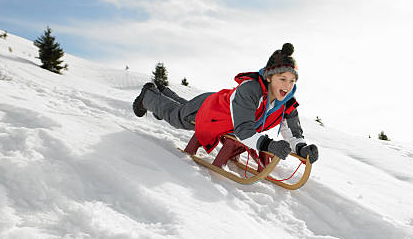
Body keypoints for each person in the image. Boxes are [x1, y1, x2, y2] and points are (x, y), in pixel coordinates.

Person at [132, 43, 319, 163]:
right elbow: (244, 131)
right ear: (269, 77)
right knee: (177, 117)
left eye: (292, 81)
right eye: (282, 78)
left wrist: (302, 148)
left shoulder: (287, 102)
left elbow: (292, 131)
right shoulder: (250, 90)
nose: (287, 86)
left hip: (225, 115)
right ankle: (148, 96)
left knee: (181, 109)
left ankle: (163, 92)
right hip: (210, 110)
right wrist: (269, 145)